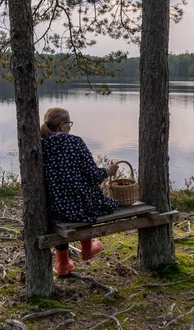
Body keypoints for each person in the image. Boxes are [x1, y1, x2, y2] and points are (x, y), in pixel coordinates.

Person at [40, 107, 119, 276]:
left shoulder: (42, 144)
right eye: (69, 124)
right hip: (79, 206)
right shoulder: (75, 142)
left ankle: (62, 264)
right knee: (90, 197)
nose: (70, 127)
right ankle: (87, 248)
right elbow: (93, 175)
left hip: (54, 207)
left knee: (71, 199)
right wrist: (108, 171)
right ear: (62, 126)